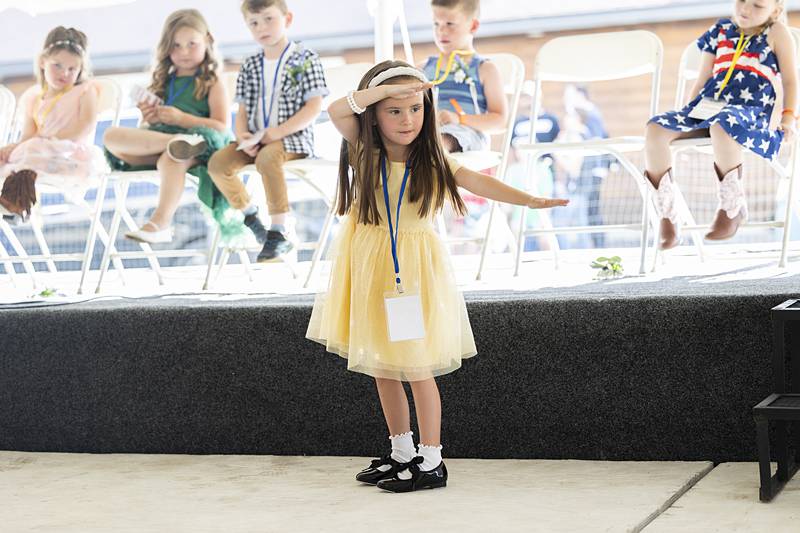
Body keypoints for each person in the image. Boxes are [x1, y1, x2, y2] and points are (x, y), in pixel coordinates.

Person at [306, 61, 568, 493]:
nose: (407, 119)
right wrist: (386, 90)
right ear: (373, 114)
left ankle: (432, 458)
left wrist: (533, 200)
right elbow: (338, 110)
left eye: (416, 108)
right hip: (368, 267)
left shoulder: (431, 159)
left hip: (411, 274)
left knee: (416, 367)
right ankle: (401, 452)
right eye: (394, 110)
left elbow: (482, 184)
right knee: (382, 367)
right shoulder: (364, 150)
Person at [644, 0, 797, 249]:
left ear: (775, 10)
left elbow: (791, 80)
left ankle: (732, 207)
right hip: (708, 106)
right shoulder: (720, 30)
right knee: (656, 128)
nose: (746, 9)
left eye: (758, 6)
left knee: (722, 124)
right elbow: (704, 76)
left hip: (747, 111)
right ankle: (668, 215)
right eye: (742, 1)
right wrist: (686, 118)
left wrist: (788, 116)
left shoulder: (777, 32)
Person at [207, 0, 328, 262]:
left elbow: (314, 105)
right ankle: (251, 217)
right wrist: (242, 137)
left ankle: (279, 230)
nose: (262, 27)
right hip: (255, 139)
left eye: (269, 19)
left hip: (292, 139)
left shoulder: (304, 58)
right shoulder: (250, 63)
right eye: (254, 22)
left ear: (287, 19)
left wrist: (278, 132)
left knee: (267, 158)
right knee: (218, 163)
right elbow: (242, 110)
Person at [103, 9, 232, 244]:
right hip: (162, 140)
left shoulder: (213, 82)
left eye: (191, 44)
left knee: (172, 157)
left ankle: (159, 223)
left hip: (200, 143)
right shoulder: (163, 81)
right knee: (111, 135)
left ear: (207, 41)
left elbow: (221, 127)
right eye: (176, 45)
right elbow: (146, 129)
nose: (184, 52)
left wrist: (183, 119)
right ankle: (176, 144)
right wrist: (151, 119)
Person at [0, 26, 106, 220]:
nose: (64, 73)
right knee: (10, 155)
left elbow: (86, 125)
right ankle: (12, 199)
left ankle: (16, 201)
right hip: (39, 150)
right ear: (42, 62)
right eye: (57, 65)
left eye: (72, 69)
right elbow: (28, 136)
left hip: (69, 153)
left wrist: (48, 141)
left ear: (80, 69)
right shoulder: (34, 98)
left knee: (32, 151)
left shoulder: (84, 91)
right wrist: (13, 147)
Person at [421, 0, 506, 153]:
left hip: (467, 135)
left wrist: (459, 119)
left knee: (438, 142)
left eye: (450, 24)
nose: (441, 30)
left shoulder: (485, 69)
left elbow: (500, 122)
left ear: (473, 26)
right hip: (428, 133)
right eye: (436, 24)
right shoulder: (423, 68)